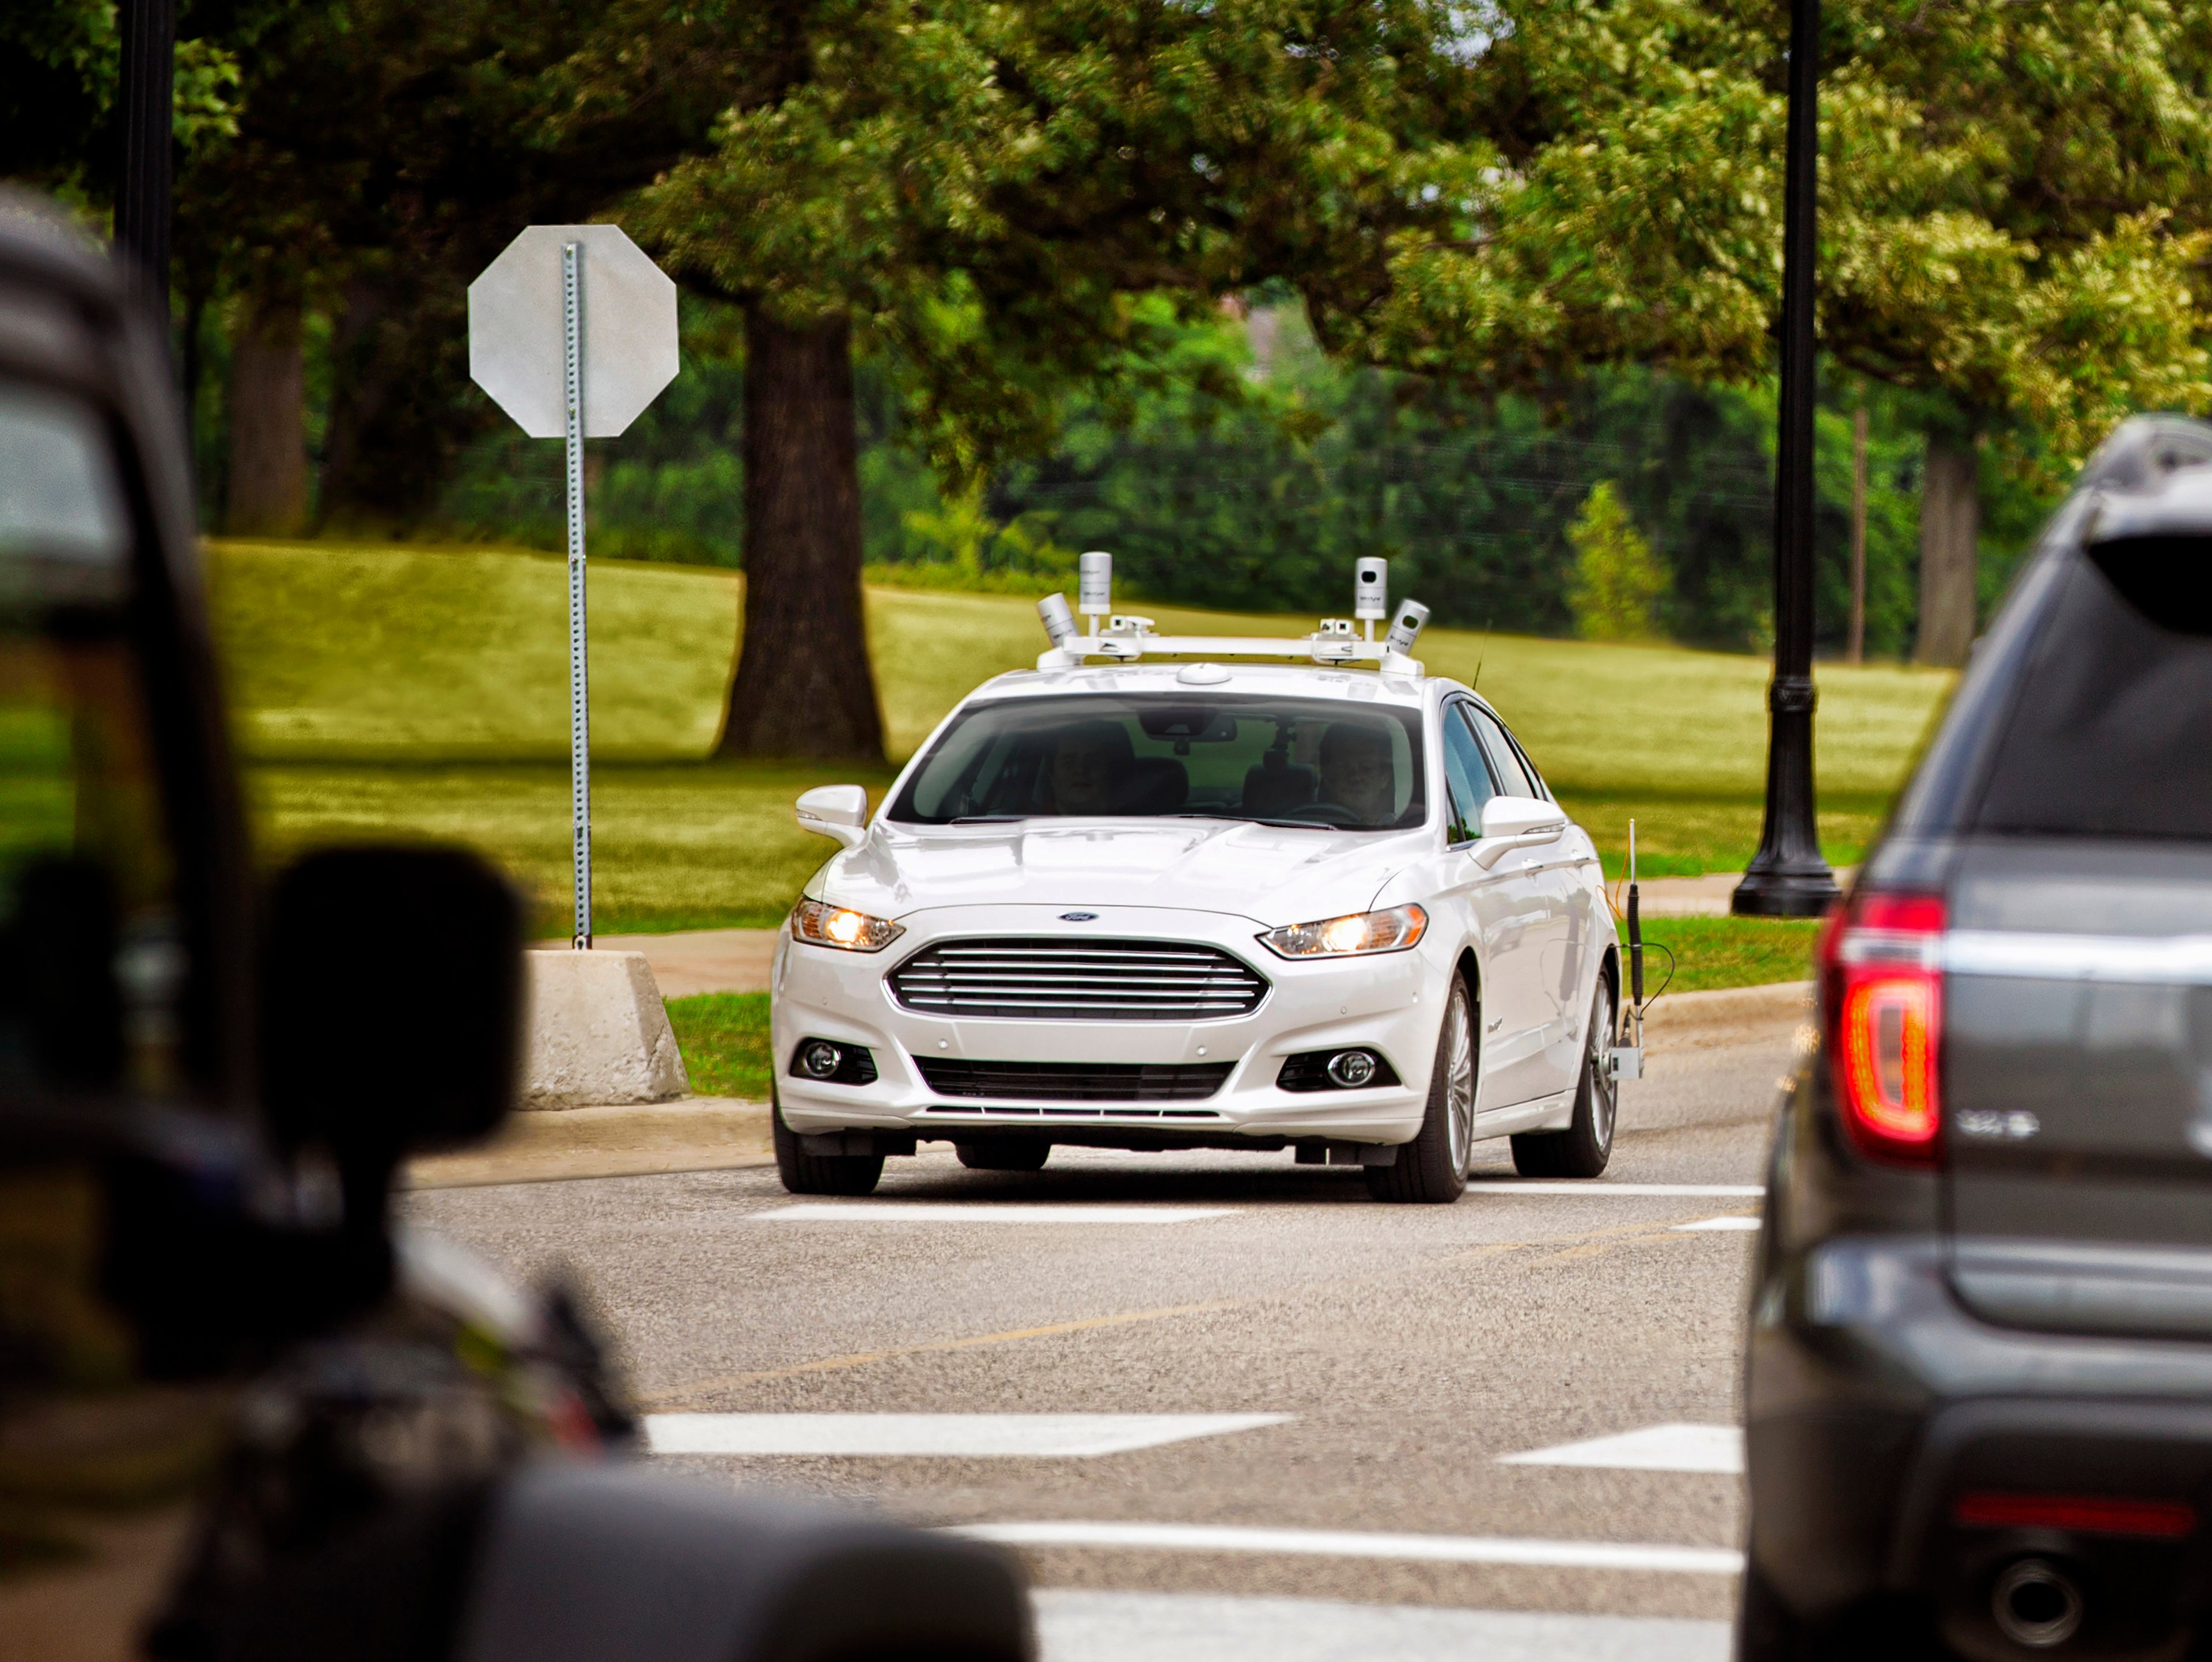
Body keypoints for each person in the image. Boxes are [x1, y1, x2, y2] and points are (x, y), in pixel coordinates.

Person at [1041, 720, 1132, 815]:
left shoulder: (1138, 822)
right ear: (1051, 773)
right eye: (1069, 763)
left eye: (1092, 762)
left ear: (1109, 771)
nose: (1080, 770)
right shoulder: (1032, 821)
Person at [1316, 720, 1398, 826]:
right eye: (1343, 768)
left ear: (1385, 778)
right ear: (1326, 774)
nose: (1355, 778)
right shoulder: (1303, 823)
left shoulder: (1402, 832)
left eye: (1367, 769)